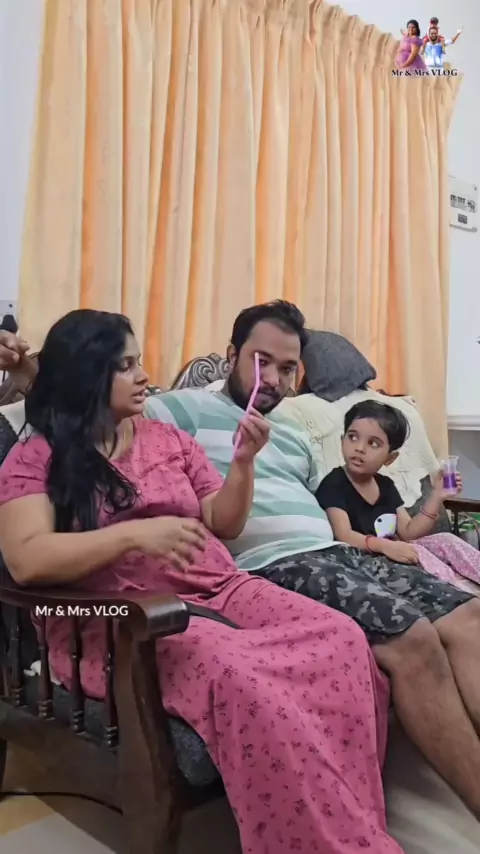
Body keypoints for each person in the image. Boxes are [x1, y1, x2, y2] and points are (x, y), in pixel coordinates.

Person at [4, 306, 480, 815]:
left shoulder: (283, 431)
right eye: (261, 361)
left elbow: (233, 516)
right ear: (232, 356)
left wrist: (247, 461)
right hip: (221, 581)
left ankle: (359, 815)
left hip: (299, 561)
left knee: (445, 619)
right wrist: (30, 370)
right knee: (406, 640)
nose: (272, 378)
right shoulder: (171, 411)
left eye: (287, 367)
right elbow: (70, 412)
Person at [316, 400, 480, 594]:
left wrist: (437, 496)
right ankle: (462, 594)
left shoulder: (385, 485)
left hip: (397, 552)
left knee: (446, 540)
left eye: (373, 443)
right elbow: (344, 534)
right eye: (353, 437)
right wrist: (385, 546)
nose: (359, 448)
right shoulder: (334, 483)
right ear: (342, 440)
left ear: (390, 458)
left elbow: (409, 532)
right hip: (365, 561)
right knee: (418, 552)